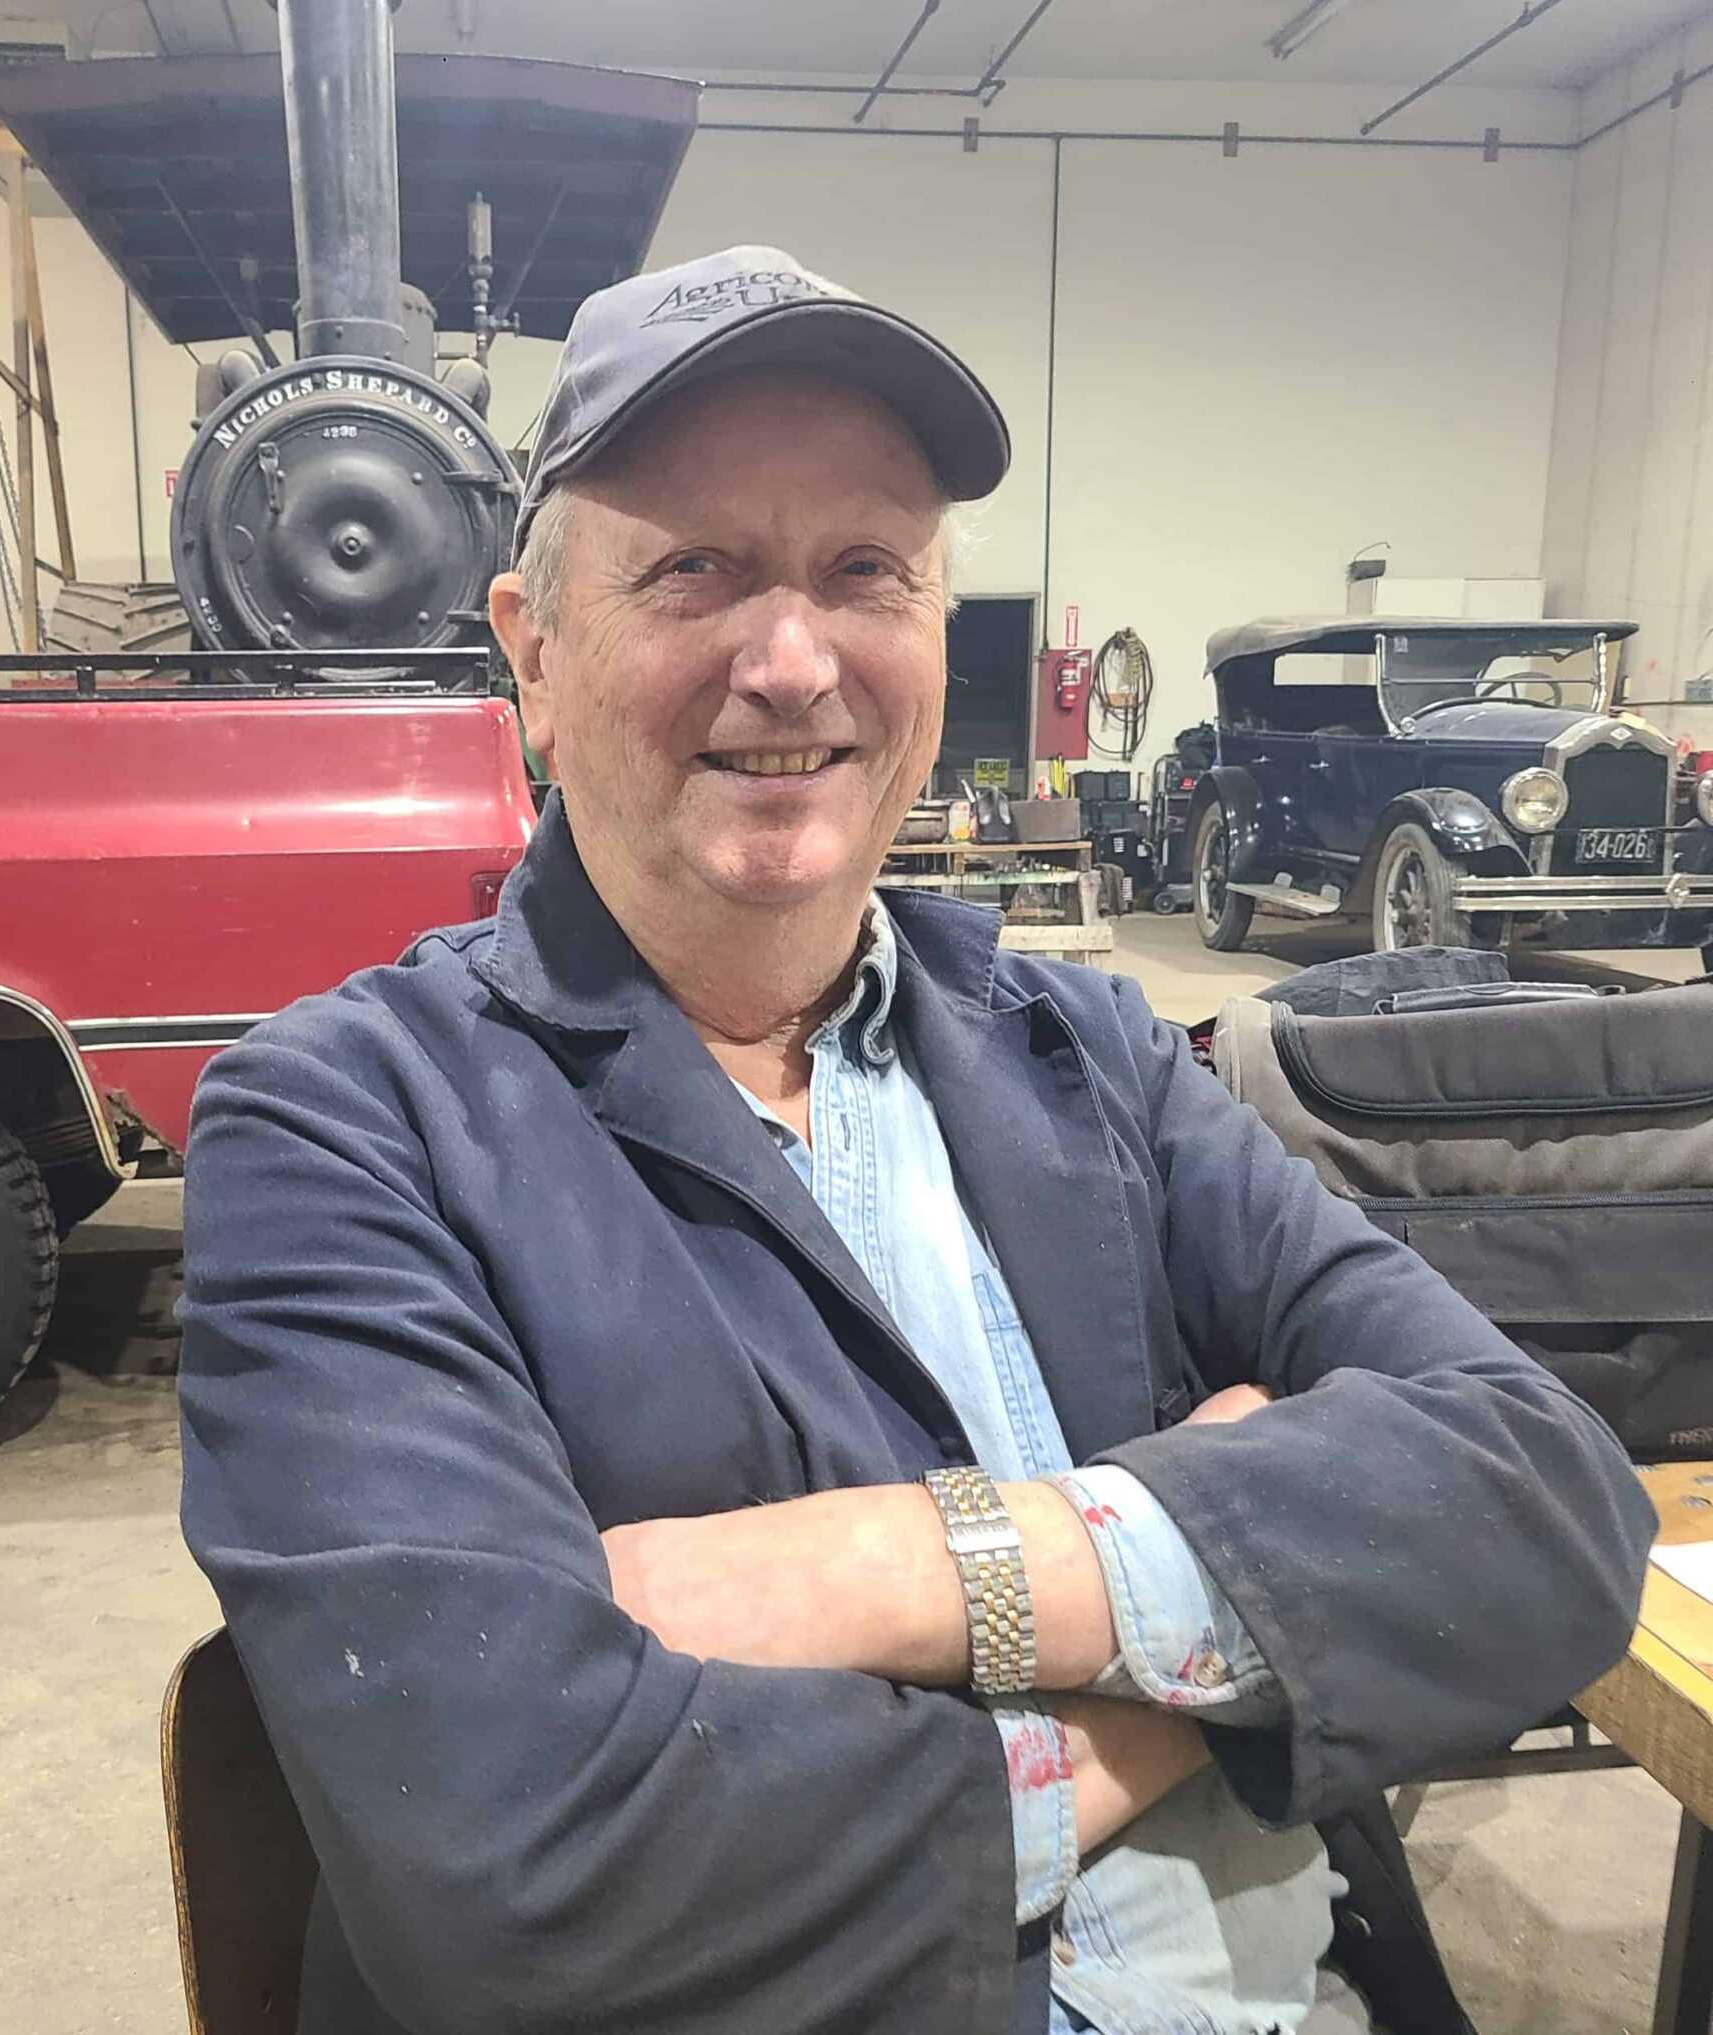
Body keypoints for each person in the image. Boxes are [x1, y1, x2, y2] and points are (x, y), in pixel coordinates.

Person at [178, 246, 1654, 2035]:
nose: (792, 661)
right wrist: (1215, 1635)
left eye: (864, 569)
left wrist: (900, 1570)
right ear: (535, 657)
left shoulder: (1090, 1049)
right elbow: (525, 1883)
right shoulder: (347, 1131)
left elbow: (1548, 1500)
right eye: (696, 568)